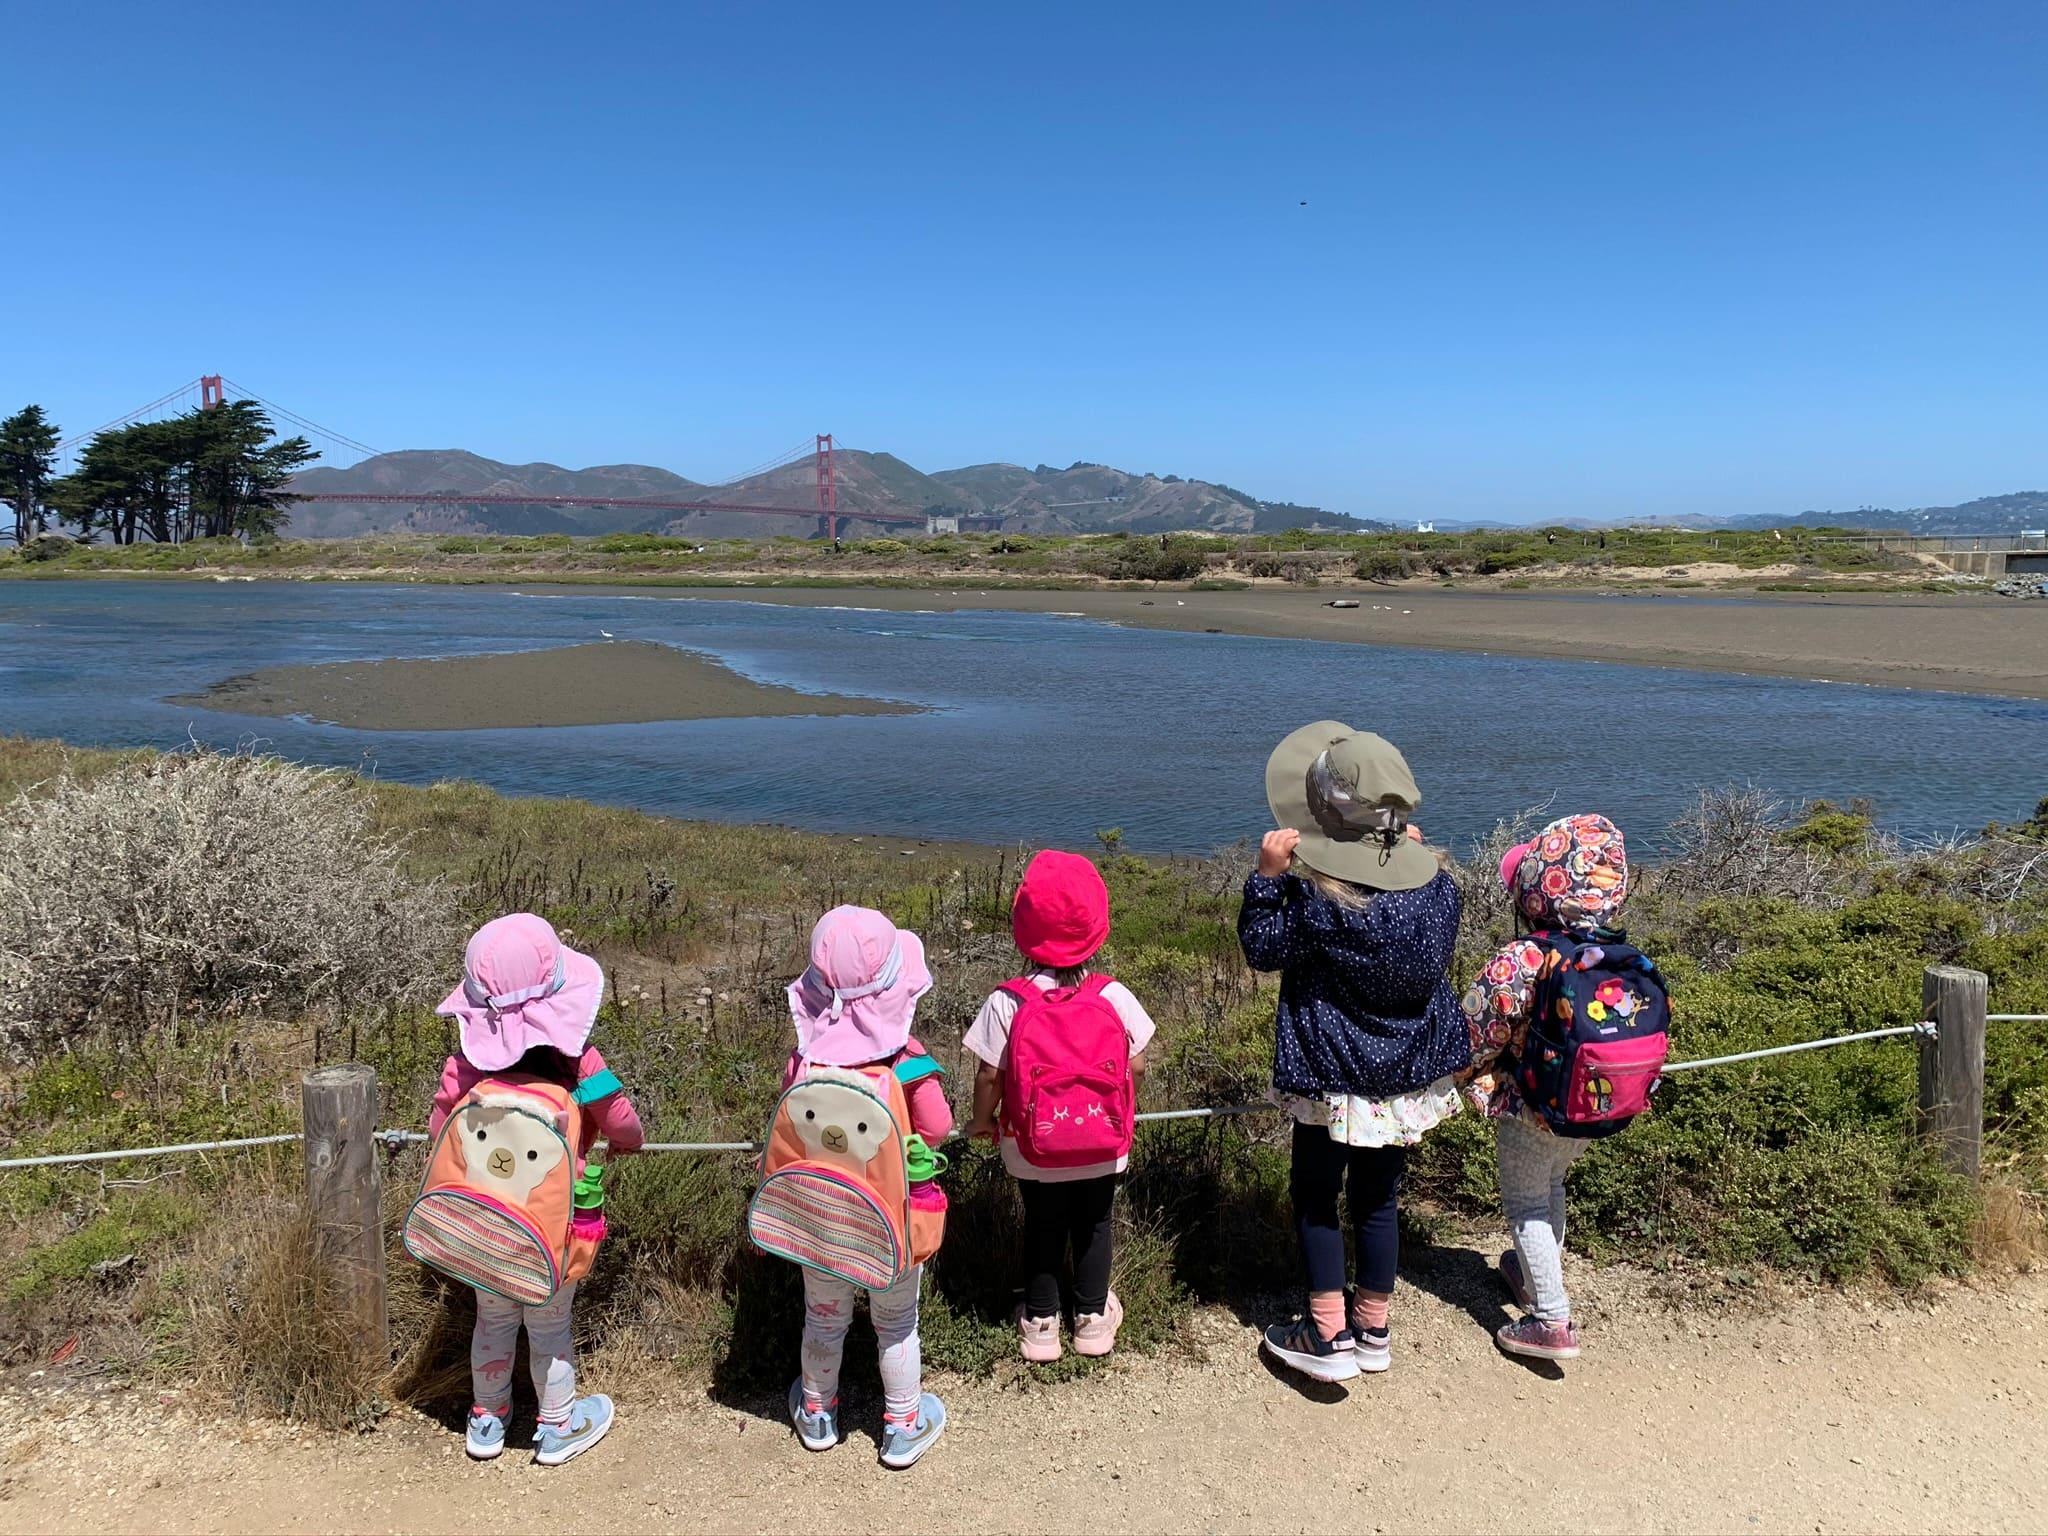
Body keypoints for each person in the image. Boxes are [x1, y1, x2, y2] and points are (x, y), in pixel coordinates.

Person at [1239, 722, 1468, 1384]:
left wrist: (1267, 878)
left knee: (1315, 1196)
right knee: (1378, 1202)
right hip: (1401, 1080)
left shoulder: (1318, 899)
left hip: (1331, 1076)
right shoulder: (1440, 891)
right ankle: (1372, 1328)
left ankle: (1325, 1332)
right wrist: (1403, 854)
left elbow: (1262, 949)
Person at [429, 913, 644, 1465]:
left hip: (484, 1222)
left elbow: (440, 1133)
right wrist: (624, 1142)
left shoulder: (465, 1065)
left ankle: (487, 1420)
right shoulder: (580, 1061)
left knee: (492, 1319)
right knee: (550, 1324)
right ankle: (556, 1423)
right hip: (552, 1228)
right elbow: (622, 1122)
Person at [1463, 814, 1655, 1363]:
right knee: (1552, 1187)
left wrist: (1455, 1079)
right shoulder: (1616, 955)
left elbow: (1475, 1031)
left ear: (1536, 890)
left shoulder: (1524, 958)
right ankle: (1528, 1276)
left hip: (1532, 1107)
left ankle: (1550, 1319)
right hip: (1595, 1105)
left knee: (1525, 1201)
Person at [781, 906, 954, 1470]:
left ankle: (816, 1412)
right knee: (897, 1322)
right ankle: (903, 1422)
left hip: (821, 1220)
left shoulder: (803, 1063)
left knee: (823, 1317)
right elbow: (937, 1127)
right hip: (891, 1222)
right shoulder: (907, 1063)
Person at [964, 850, 1154, 1363]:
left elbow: (989, 1075)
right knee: (1096, 1222)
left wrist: (982, 1122)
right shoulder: (1112, 995)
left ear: (1023, 929)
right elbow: (1135, 1066)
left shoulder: (1009, 1000)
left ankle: (1042, 1323)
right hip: (1102, 1139)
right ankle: (1092, 1319)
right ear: (1098, 927)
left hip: (1031, 1144)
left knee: (1042, 1221)